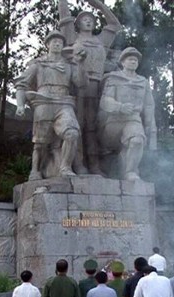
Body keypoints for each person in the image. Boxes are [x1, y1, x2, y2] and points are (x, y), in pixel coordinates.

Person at [15, 30, 88, 179]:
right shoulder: (38, 64)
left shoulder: (69, 65)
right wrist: (20, 105)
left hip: (64, 103)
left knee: (72, 133)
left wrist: (80, 63)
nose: (57, 44)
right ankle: (35, 170)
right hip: (43, 102)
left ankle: (65, 168)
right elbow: (21, 84)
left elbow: (81, 83)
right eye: (54, 41)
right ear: (47, 44)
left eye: (60, 42)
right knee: (41, 142)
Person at [59, 0, 121, 175]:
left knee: (94, 126)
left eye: (91, 19)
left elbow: (115, 24)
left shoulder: (101, 40)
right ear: (77, 23)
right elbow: (64, 15)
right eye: (84, 19)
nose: (88, 21)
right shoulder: (72, 37)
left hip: (99, 87)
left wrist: (100, 6)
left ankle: (95, 164)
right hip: (77, 85)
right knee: (78, 124)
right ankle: (78, 163)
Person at [98, 47, 157, 180]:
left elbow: (149, 106)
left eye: (135, 60)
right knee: (107, 149)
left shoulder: (143, 82)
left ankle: (130, 172)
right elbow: (105, 100)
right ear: (123, 62)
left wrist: (150, 128)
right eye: (130, 59)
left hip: (133, 119)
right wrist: (120, 107)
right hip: (114, 121)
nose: (133, 62)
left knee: (137, 140)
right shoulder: (114, 78)